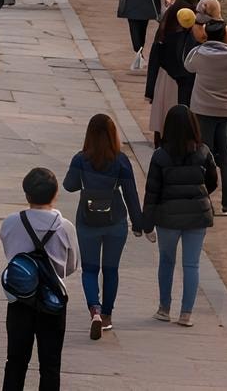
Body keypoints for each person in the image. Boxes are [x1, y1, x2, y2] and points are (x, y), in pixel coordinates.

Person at [63, 114, 143, 340]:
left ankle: (94, 310)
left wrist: (84, 178)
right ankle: (107, 315)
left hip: (88, 219)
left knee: (89, 269)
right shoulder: (120, 160)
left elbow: (69, 186)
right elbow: (131, 195)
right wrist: (139, 223)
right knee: (111, 270)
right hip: (115, 219)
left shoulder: (81, 159)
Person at [0, 168, 79, 391]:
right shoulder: (65, 227)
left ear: (27, 195)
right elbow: (71, 266)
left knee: (15, 361)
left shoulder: (11, 222)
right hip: (52, 301)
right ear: (55, 195)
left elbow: (9, 252)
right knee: (50, 365)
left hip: (19, 299)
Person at [141, 106, 217, 325]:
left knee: (166, 262)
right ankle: (186, 313)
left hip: (168, 217)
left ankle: (164, 308)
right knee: (191, 265)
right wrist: (196, 195)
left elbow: (152, 192)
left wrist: (147, 223)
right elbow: (212, 182)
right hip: (197, 215)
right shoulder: (203, 152)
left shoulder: (160, 156)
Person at [185, 18, 227, 216]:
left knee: (204, 154)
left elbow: (188, 66)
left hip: (203, 109)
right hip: (226, 110)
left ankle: (202, 198)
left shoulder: (200, 53)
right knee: (226, 155)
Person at [145, 0, 196, 141]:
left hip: (166, 77)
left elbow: (155, 57)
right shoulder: (193, 31)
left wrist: (150, 91)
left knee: (165, 114)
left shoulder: (167, 28)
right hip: (181, 78)